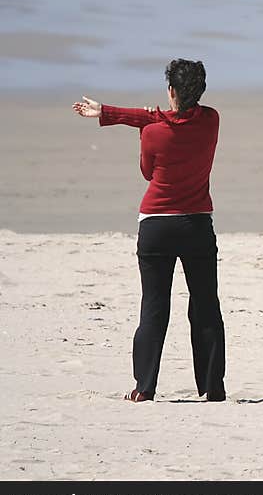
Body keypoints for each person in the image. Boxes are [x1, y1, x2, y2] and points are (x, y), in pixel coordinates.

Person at [71, 59, 226, 403]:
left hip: (157, 225)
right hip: (198, 224)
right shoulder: (212, 120)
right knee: (205, 305)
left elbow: (146, 170)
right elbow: (172, 117)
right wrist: (109, 112)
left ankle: (144, 387)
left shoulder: (154, 131)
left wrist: (117, 116)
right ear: (200, 92)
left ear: (170, 90)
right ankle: (213, 387)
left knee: (154, 306)